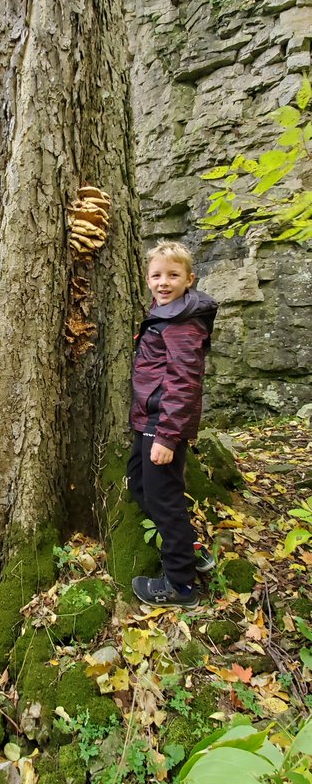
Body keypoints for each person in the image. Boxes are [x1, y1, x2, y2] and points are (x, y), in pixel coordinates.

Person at [129, 241, 218, 607]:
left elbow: (184, 384)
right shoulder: (165, 311)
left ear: (189, 279)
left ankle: (180, 586)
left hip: (163, 424)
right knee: (140, 484)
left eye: (173, 275)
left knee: (164, 500)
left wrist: (166, 435)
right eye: (156, 275)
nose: (163, 283)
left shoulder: (183, 323)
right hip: (148, 419)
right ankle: (191, 548)